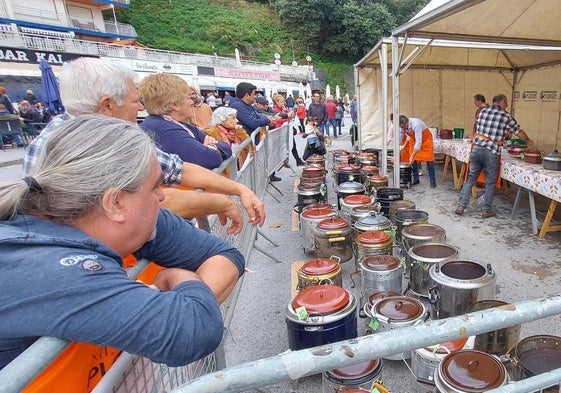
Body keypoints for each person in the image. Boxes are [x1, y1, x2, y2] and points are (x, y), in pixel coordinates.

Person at [0, 114, 245, 370]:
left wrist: (180, 305)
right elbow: (194, 329)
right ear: (114, 202)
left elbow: (225, 255)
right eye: (153, 187)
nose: (162, 196)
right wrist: (181, 279)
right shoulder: (37, 265)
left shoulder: (120, 218)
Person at [23, 57, 265, 233]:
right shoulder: (82, 143)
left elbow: (176, 169)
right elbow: (148, 203)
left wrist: (238, 189)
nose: (140, 108)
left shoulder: (101, 132)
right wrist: (221, 200)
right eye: (134, 101)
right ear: (107, 105)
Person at [455, 94, 533, 218]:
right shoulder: (506, 116)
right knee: (490, 182)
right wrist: (529, 141)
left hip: (476, 148)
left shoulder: (482, 111)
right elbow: (518, 132)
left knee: (470, 179)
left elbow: (476, 128)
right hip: (491, 152)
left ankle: (461, 205)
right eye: (506, 104)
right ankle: (486, 210)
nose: (506, 106)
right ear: (502, 102)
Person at [139, 73, 232, 171]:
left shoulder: (178, 124)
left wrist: (212, 147)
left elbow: (226, 147)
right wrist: (213, 148)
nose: (192, 102)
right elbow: (210, 159)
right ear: (175, 105)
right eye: (188, 98)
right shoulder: (160, 128)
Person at [229, 82, 283, 182]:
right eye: (254, 94)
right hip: (244, 143)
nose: (255, 97)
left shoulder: (247, 105)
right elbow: (252, 122)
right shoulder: (237, 106)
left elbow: (259, 116)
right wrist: (268, 120)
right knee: (246, 169)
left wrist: (269, 120)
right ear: (246, 95)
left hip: (252, 142)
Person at [206, 106, 252, 177]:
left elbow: (250, 147)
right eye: (233, 118)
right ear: (223, 120)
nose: (237, 121)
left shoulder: (237, 131)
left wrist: (241, 132)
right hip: (225, 174)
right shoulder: (212, 132)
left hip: (240, 170)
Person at [398, 115, 436, 188]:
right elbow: (400, 139)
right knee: (414, 161)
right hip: (414, 140)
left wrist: (412, 156)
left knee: (430, 161)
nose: (402, 128)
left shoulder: (416, 125)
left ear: (406, 122)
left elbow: (419, 141)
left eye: (403, 127)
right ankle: (416, 179)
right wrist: (396, 153)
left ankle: (432, 180)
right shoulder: (402, 126)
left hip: (426, 141)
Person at [271, 93, 304, 166]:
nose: (283, 103)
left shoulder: (282, 109)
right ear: (277, 102)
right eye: (281, 102)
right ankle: (286, 162)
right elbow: (279, 120)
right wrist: (288, 119)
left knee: (292, 145)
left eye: (283, 101)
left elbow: (290, 115)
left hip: (286, 130)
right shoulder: (275, 110)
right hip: (280, 131)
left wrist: (286, 112)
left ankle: (297, 161)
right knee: (284, 147)